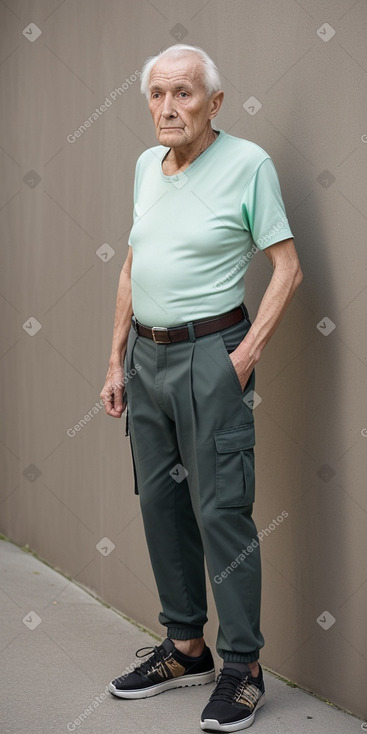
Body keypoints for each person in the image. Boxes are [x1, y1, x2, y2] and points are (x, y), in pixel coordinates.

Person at [100, 43, 302, 732]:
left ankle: (243, 667)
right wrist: (113, 360)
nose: (167, 108)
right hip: (145, 362)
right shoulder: (144, 167)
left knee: (222, 513)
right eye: (157, 94)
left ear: (214, 103)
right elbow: (132, 266)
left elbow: (287, 269)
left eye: (183, 94)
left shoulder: (247, 164)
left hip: (209, 355)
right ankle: (187, 648)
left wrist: (241, 357)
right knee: (160, 504)